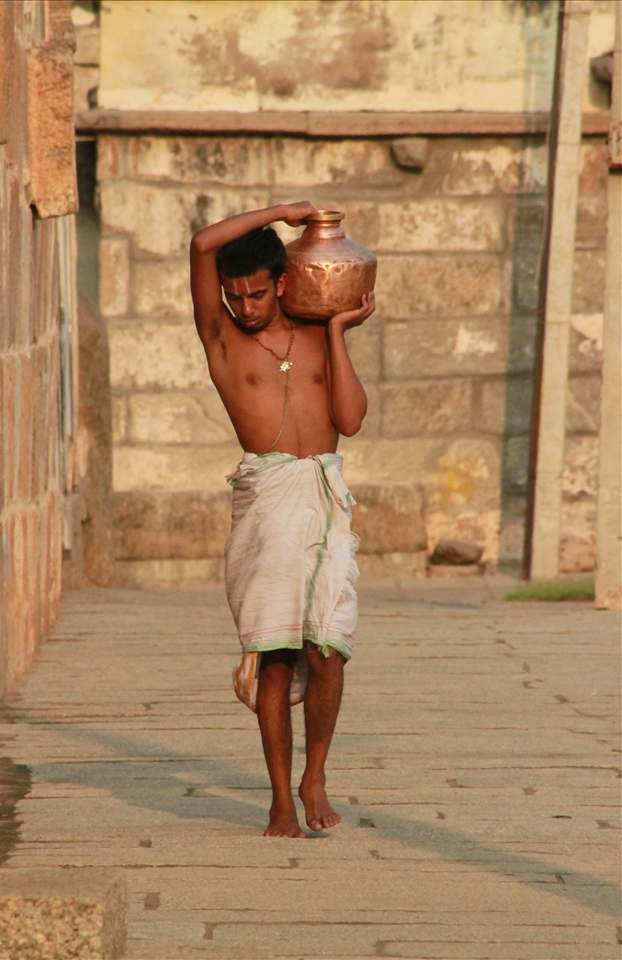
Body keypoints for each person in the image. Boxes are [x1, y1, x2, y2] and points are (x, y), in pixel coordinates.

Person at [190, 202, 374, 838]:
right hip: (267, 501)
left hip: (324, 493)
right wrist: (282, 213)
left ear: (284, 282)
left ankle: (314, 776)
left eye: (258, 294)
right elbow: (202, 243)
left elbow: (349, 422)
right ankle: (277, 801)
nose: (246, 307)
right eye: (235, 296)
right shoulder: (223, 339)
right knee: (275, 655)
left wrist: (339, 333)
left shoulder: (316, 331)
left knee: (329, 649)